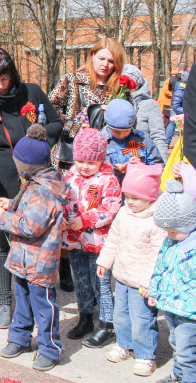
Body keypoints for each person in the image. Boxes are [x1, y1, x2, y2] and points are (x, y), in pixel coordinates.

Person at [0, 48, 62, 328]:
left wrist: (40, 138)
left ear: (13, 74)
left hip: (38, 182)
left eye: (5, 78)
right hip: (3, 181)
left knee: (35, 241)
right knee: (2, 243)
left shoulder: (32, 93)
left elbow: (58, 124)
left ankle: (34, 299)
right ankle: (4, 300)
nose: (1, 85)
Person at [0, 124, 66, 373]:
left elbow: (31, 225)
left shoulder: (45, 191)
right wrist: (10, 204)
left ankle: (49, 348)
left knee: (44, 308)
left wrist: (3, 217)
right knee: (21, 301)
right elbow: (26, 210)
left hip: (39, 263)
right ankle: (20, 337)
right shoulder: (33, 183)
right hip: (23, 261)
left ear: (28, 165)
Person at [96, 162, 167, 378]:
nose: (130, 202)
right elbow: (113, 239)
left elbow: (157, 255)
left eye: (136, 198)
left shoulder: (156, 221)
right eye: (127, 197)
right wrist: (104, 261)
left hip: (142, 282)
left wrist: (149, 282)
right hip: (123, 275)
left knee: (143, 318)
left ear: (151, 197)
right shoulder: (125, 214)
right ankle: (124, 344)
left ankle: (146, 354)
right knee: (121, 315)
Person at [61, 128, 121, 347]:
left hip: (99, 241)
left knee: (101, 283)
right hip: (75, 240)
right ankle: (85, 316)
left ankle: (108, 323)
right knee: (82, 280)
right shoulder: (70, 175)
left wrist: (85, 219)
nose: (84, 166)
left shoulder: (108, 179)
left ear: (100, 159)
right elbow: (63, 199)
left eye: (90, 162)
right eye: (80, 161)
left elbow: (111, 207)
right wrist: (63, 217)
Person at [147, 180, 196, 383]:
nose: (169, 235)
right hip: (171, 305)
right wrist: (153, 290)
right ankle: (178, 375)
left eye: (173, 231)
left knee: (187, 351)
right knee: (176, 343)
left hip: (190, 311)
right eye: (167, 231)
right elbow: (160, 268)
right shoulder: (170, 241)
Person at [49, 38, 128, 161]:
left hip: (107, 156)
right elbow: (50, 110)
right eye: (101, 59)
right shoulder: (71, 80)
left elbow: (131, 121)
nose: (105, 64)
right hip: (73, 156)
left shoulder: (120, 88)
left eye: (111, 61)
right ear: (92, 55)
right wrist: (74, 127)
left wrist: (116, 116)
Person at [101, 99, 164, 184]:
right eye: (117, 132)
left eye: (126, 131)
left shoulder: (143, 142)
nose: (121, 135)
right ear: (108, 126)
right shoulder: (99, 142)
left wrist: (139, 168)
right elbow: (89, 168)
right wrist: (113, 170)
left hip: (138, 192)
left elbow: (158, 168)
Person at [122, 64, 167, 156]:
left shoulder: (149, 104)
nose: (124, 87)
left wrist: (161, 165)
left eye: (126, 84)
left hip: (144, 161)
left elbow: (158, 137)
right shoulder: (116, 104)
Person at [169, 70, 189, 146]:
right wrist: (189, 111)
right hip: (183, 118)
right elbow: (176, 107)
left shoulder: (189, 90)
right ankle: (168, 141)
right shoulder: (179, 91)